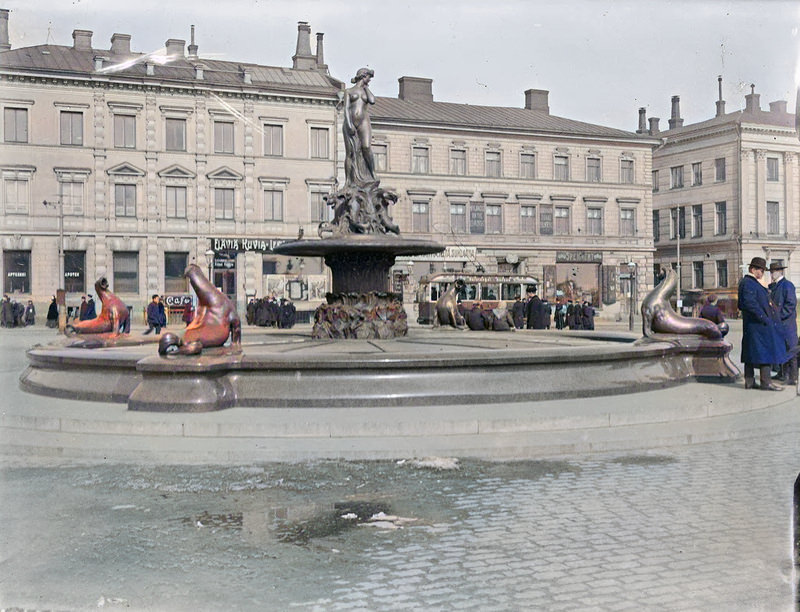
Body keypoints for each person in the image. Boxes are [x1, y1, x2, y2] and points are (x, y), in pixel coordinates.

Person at [738, 257, 787, 391]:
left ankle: (750, 382)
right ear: (753, 269)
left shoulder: (750, 282)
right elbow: (749, 304)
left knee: (751, 352)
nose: (762, 273)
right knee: (765, 352)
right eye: (760, 270)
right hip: (757, 325)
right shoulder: (749, 283)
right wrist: (764, 318)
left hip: (753, 325)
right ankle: (766, 382)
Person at [342, 67, 377, 187]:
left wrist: (366, 87)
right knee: (350, 153)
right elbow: (346, 108)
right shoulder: (349, 91)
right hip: (350, 122)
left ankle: (372, 174)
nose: (370, 80)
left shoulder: (366, 91)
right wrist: (349, 123)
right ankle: (348, 181)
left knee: (366, 147)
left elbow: (372, 101)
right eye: (369, 77)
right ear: (363, 76)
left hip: (364, 121)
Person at [768, 261, 798, 385]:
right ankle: (782, 374)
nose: (771, 274)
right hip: (778, 323)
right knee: (781, 349)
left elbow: (790, 304)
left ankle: (792, 377)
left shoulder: (787, 285)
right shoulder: (773, 286)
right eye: (770, 272)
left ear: (780, 271)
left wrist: (778, 317)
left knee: (791, 349)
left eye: (773, 271)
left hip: (786, 324)